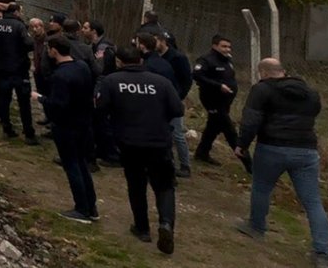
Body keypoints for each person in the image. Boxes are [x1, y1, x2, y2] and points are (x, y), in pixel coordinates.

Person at [234, 59, 328, 266]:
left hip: (272, 147)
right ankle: (321, 251)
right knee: (312, 202)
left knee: (261, 188)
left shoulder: (262, 90)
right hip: (306, 150)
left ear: (264, 73)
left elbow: (251, 120)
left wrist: (242, 144)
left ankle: (256, 227)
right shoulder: (310, 93)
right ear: (283, 72)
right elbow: (314, 114)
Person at [96, 46, 183, 255]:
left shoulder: (112, 81)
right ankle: (166, 223)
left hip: (129, 142)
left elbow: (101, 108)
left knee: (136, 184)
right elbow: (177, 109)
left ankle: (142, 228)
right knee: (164, 186)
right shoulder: (161, 82)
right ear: (141, 60)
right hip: (159, 142)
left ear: (119, 61)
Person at [37, 35, 98, 223]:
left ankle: (81, 209)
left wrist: (40, 98)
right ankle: (91, 206)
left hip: (66, 127)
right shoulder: (82, 67)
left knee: (72, 166)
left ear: (54, 50)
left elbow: (57, 105)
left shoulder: (60, 76)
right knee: (81, 164)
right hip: (83, 123)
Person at [194, 34, 252, 171]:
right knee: (230, 131)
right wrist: (218, 86)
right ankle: (250, 165)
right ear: (215, 46)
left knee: (213, 127)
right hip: (213, 101)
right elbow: (197, 75)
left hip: (225, 102)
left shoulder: (227, 60)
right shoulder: (206, 60)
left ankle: (202, 153)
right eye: (224, 46)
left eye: (229, 47)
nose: (227, 49)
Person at [0, 3, 39, 145]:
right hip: (19, 70)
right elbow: (29, 43)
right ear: (15, 12)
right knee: (24, 102)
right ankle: (28, 133)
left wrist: (0, 54)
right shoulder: (19, 26)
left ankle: (7, 127)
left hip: (2, 69)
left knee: (4, 100)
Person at [156, 34, 194, 178]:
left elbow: (186, 80)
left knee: (177, 133)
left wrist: (178, 97)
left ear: (163, 41)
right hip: (159, 99)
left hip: (174, 99)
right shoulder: (157, 56)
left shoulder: (178, 58)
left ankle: (185, 165)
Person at [84, 20, 121, 165]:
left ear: (93, 31)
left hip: (104, 87)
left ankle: (112, 155)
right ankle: (102, 149)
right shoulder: (96, 45)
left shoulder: (103, 48)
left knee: (103, 122)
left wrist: (96, 92)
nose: (83, 30)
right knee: (99, 122)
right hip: (104, 85)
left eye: (86, 28)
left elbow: (100, 71)